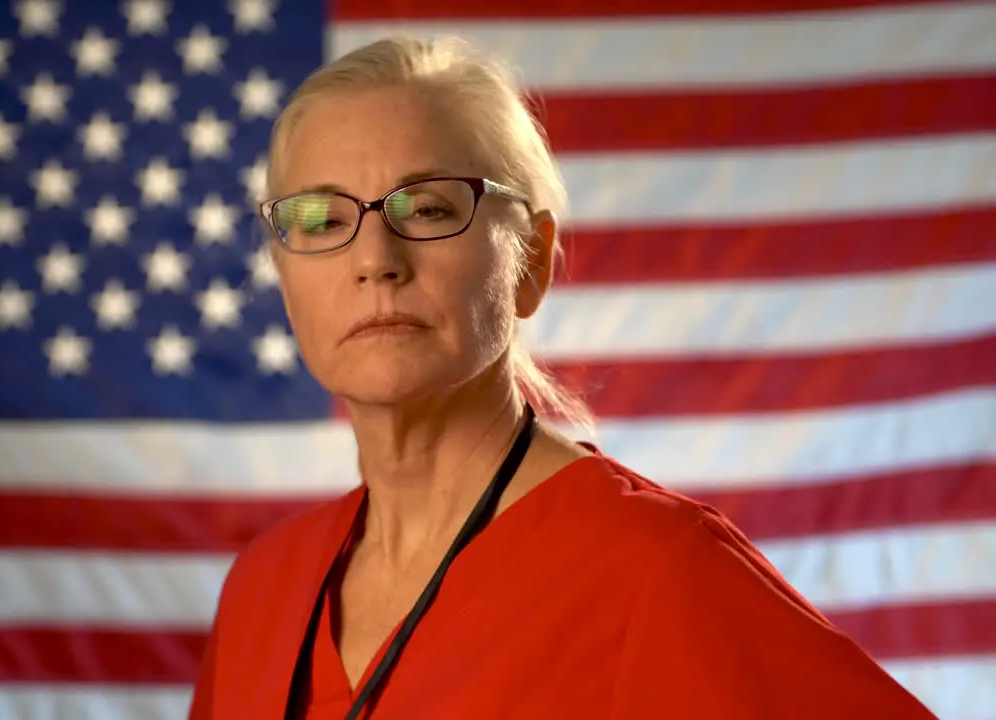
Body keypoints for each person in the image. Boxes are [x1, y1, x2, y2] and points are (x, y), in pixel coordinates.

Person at [189, 35, 937, 720]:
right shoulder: (265, 589)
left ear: (532, 262)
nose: (375, 257)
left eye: (428, 208)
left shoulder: (655, 570)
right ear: (284, 277)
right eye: (321, 219)